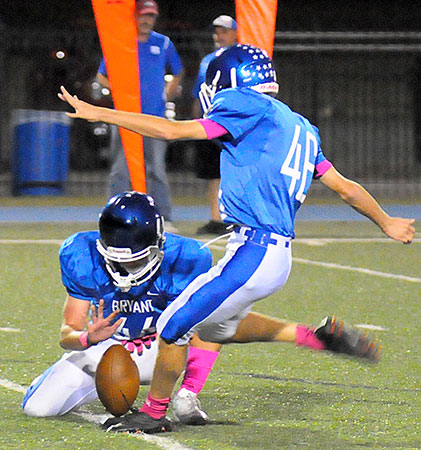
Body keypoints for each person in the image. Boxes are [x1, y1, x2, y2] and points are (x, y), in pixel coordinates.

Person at [58, 44, 415, 433]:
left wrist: (102, 113)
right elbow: (345, 188)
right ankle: (316, 338)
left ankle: (154, 413)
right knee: (217, 328)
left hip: (254, 250)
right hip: (269, 255)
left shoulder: (245, 105)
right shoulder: (299, 125)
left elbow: (172, 131)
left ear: (229, 81)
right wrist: (386, 222)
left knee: (172, 324)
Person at [22, 191, 380, 426]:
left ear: (157, 246)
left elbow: (214, 325)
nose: (125, 271)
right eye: (117, 262)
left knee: (209, 315)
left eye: (134, 262)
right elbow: (67, 334)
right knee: (38, 408)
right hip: (105, 348)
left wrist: (189, 389)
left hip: (158, 348)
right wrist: (88, 337)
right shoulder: (81, 255)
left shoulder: (186, 258)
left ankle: (305, 338)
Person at [97, 0, 183, 230]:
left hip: (155, 118)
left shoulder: (163, 43)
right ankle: (114, 218)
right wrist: (119, 92)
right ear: (134, 16)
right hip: (125, 117)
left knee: (157, 170)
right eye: (143, 15)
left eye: (151, 16)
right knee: (120, 170)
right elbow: (101, 75)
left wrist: (166, 93)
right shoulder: (121, 42)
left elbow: (178, 72)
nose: (146, 20)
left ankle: (164, 217)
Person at [192, 15, 238, 235]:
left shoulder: (241, 58)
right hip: (211, 123)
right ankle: (216, 217)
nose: (218, 36)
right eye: (216, 32)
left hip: (235, 124)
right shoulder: (208, 60)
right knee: (213, 173)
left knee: (237, 171)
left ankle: (237, 216)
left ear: (235, 33)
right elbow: (198, 93)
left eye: (224, 31)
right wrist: (197, 122)